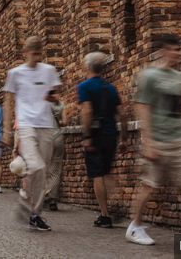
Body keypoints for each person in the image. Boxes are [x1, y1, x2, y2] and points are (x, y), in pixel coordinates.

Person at [126, 34, 181, 246]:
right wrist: (148, 142)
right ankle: (135, 226)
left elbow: (179, 109)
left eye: (180, 50)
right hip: (157, 140)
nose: (178, 53)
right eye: (173, 49)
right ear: (163, 51)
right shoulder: (149, 76)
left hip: (180, 139)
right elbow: (142, 107)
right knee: (149, 185)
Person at [3, 36, 61, 231]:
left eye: (39, 53)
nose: (36, 57)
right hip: (26, 125)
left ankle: (35, 215)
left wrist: (52, 98)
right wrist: (7, 130)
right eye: (32, 53)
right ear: (25, 52)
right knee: (36, 166)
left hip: (46, 125)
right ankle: (25, 198)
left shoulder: (49, 71)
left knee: (42, 171)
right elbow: (9, 101)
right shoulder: (16, 74)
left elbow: (55, 95)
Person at [77, 51, 121, 229]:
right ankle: (113, 204)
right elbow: (122, 114)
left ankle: (105, 214)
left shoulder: (85, 87)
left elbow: (87, 111)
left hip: (96, 135)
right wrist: (124, 136)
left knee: (97, 174)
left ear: (87, 67)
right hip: (111, 134)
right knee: (106, 172)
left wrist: (87, 136)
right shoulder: (111, 88)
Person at [44, 100, 66, 211]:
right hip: (57, 137)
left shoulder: (40, 103)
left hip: (44, 138)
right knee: (56, 170)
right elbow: (64, 122)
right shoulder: (59, 103)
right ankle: (53, 199)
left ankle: (44, 195)